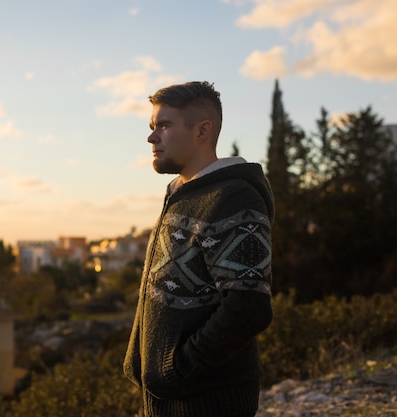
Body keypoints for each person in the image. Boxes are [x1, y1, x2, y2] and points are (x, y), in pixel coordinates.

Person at [123, 81, 275, 417]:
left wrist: (176, 371)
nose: (151, 137)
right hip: (171, 401)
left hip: (208, 402)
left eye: (163, 125)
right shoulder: (182, 195)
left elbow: (249, 307)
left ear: (202, 131)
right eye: (152, 127)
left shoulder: (232, 198)